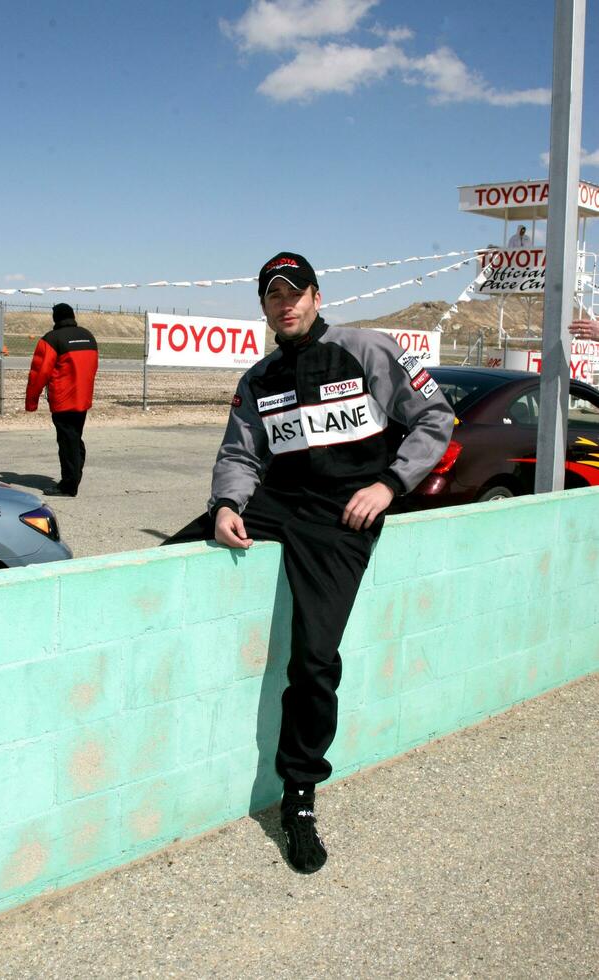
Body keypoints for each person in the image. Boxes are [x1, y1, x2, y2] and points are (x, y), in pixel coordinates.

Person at [165, 252, 454, 873]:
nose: (285, 302)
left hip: (342, 517)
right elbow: (239, 456)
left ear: (317, 297)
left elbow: (435, 417)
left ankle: (298, 799)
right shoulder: (259, 377)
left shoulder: (368, 349)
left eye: (295, 292)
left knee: (314, 660)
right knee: (171, 556)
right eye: (273, 295)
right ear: (264, 306)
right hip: (278, 505)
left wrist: (388, 487)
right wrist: (224, 507)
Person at [25, 302, 99, 497]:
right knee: (74, 438)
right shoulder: (88, 336)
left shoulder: (51, 339)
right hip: (83, 398)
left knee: (67, 442)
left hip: (62, 400)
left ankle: (69, 485)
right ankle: (74, 476)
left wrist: (31, 402)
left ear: (55, 318)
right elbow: (92, 368)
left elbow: (39, 373)